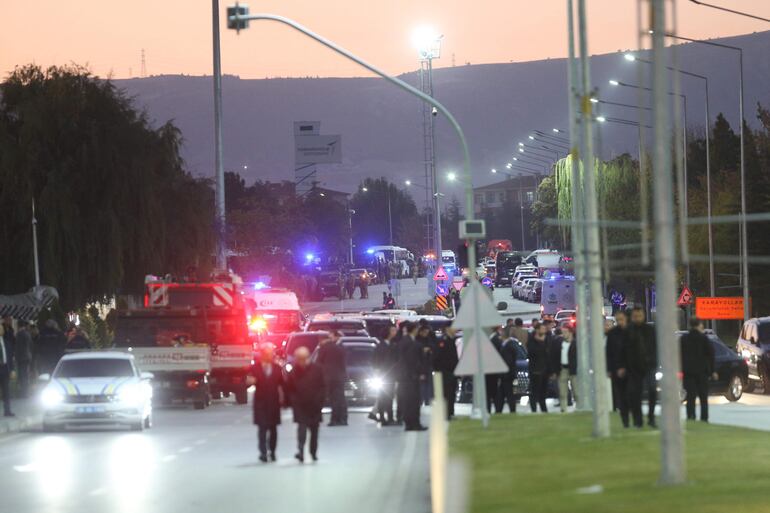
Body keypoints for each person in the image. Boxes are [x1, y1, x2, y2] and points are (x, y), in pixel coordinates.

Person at [286, 347, 325, 463]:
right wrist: (293, 402)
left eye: (303, 358)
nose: (300, 361)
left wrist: (320, 401)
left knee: (314, 431)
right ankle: (301, 451)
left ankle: (313, 452)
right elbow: (290, 388)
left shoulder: (317, 369)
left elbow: (323, 387)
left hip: (315, 405)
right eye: (299, 359)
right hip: (300, 405)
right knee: (301, 429)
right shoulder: (294, 371)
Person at [246, 345, 284, 462]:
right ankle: (263, 452)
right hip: (261, 403)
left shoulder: (277, 368)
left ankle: (272, 451)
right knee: (262, 428)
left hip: (273, 403)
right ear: (262, 355)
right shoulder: (254, 368)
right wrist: (249, 382)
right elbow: (247, 382)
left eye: (271, 353)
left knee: (273, 429)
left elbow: (282, 384)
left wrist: (284, 399)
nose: (270, 356)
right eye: (267, 354)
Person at [626, 307, 657, 428]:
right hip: (634, 368)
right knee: (636, 394)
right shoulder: (629, 331)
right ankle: (638, 420)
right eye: (635, 316)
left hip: (649, 366)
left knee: (652, 391)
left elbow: (655, 346)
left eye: (640, 315)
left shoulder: (650, 330)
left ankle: (651, 417)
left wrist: (653, 360)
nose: (638, 318)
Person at [680, 317, 716, 422]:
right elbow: (711, 354)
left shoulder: (684, 339)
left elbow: (679, 355)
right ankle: (704, 418)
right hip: (702, 372)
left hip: (688, 373)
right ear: (699, 324)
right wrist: (712, 370)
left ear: (690, 325)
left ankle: (691, 416)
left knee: (690, 397)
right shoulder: (704, 338)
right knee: (703, 397)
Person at [399, 321, 427, 431]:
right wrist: (419, 373)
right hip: (411, 377)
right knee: (414, 401)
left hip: (405, 376)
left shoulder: (403, 341)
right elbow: (413, 361)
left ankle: (409, 423)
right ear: (414, 329)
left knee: (408, 400)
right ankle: (414, 423)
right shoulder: (412, 343)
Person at [316, 331, 348, 426]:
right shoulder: (339, 348)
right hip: (340, 377)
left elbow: (318, 363)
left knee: (333, 399)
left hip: (328, 377)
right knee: (341, 398)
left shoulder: (324, 348)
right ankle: (343, 419)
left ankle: (334, 419)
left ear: (322, 340)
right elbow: (343, 363)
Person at [606, 310, 630, 427]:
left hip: (632, 369)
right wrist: (611, 369)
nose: (619, 322)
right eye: (617, 320)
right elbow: (609, 353)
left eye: (621, 319)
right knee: (621, 395)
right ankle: (625, 420)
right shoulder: (613, 334)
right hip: (617, 370)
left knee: (631, 394)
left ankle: (636, 418)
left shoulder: (632, 331)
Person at [372, 325, 399, 424]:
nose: (394, 332)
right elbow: (375, 361)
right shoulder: (381, 346)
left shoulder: (393, 345)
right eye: (392, 330)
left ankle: (390, 417)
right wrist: (377, 371)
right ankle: (382, 417)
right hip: (383, 375)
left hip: (392, 375)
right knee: (383, 397)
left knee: (390, 397)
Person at [433, 326, 459, 419]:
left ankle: (450, 412)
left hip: (452, 372)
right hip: (446, 373)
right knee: (446, 394)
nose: (456, 330)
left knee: (451, 394)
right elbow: (437, 358)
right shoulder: (443, 340)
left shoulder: (451, 340)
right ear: (447, 329)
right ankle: (446, 414)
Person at [551, 326, 577, 413]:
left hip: (573, 370)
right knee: (562, 391)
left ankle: (579, 408)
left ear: (570, 332)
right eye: (562, 332)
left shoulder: (575, 343)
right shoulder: (559, 343)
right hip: (562, 369)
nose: (563, 334)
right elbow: (554, 357)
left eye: (565, 332)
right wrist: (555, 371)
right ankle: (563, 409)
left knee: (576, 391)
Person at [528, 323, 552, 413]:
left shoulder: (548, 340)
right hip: (535, 370)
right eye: (542, 329)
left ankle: (544, 409)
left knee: (543, 392)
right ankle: (534, 410)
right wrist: (540, 343)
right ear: (537, 330)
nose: (544, 331)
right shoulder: (532, 340)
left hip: (545, 370)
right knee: (534, 391)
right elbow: (532, 353)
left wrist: (550, 370)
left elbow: (549, 354)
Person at [497, 333, 518, 413]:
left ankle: (512, 410)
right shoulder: (510, 345)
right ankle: (499, 410)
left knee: (509, 394)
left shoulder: (508, 346)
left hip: (507, 375)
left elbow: (508, 361)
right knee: (502, 393)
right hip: (506, 374)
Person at [486, 326, 505, 413]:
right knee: (493, 392)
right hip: (492, 370)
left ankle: (494, 409)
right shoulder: (495, 339)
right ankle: (493, 409)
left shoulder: (495, 339)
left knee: (492, 392)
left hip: (492, 370)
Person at [416, 323, 435, 406]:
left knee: (428, 385)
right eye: (425, 332)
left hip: (428, 365)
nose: (426, 334)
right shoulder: (417, 340)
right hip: (419, 365)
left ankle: (428, 401)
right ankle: (420, 401)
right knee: (420, 385)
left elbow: (433, 347)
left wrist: (430, 349)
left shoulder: (429, 339)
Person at [14, 320, 33, 398]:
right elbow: (30, 345)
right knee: (25, 374)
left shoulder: (19, 334)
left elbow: (17, 347)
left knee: (22, 375)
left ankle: (24, 392)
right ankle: (25, 392)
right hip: (26, 356)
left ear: (18, 325)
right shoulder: (27, 334)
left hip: (21, 357)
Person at [0, 324, 13, 417]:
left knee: (6, 391)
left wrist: (12, 369)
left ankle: (7, 411)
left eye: (1, 329)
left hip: (5, 368)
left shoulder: (6, 342)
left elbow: (10, 357)